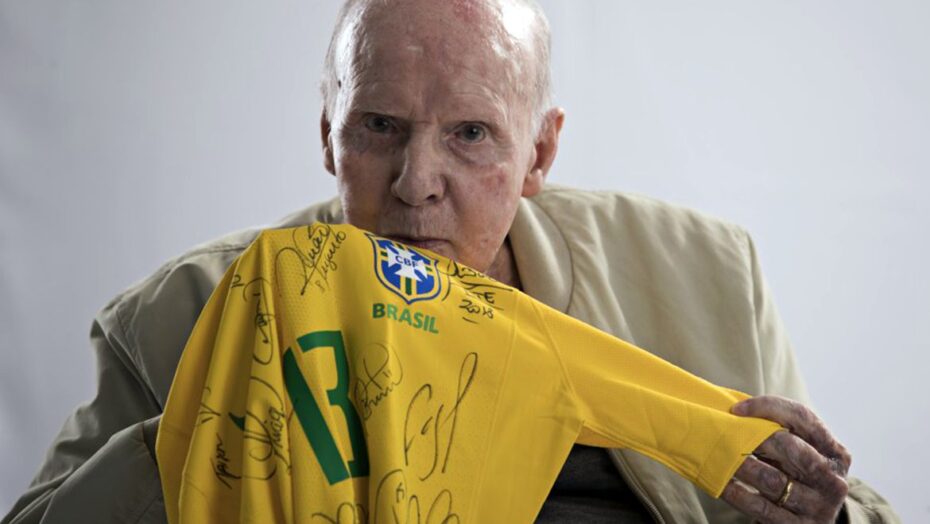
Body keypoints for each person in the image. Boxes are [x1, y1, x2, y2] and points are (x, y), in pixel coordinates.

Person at [3, 0, 899, 523]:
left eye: (470, 134)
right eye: (379, 126)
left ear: (540, 154)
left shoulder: (708, 275)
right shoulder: (179, 315)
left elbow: (858, 508)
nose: (417, 183)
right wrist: (202, 435)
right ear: (329, 133)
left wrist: (820, 513)